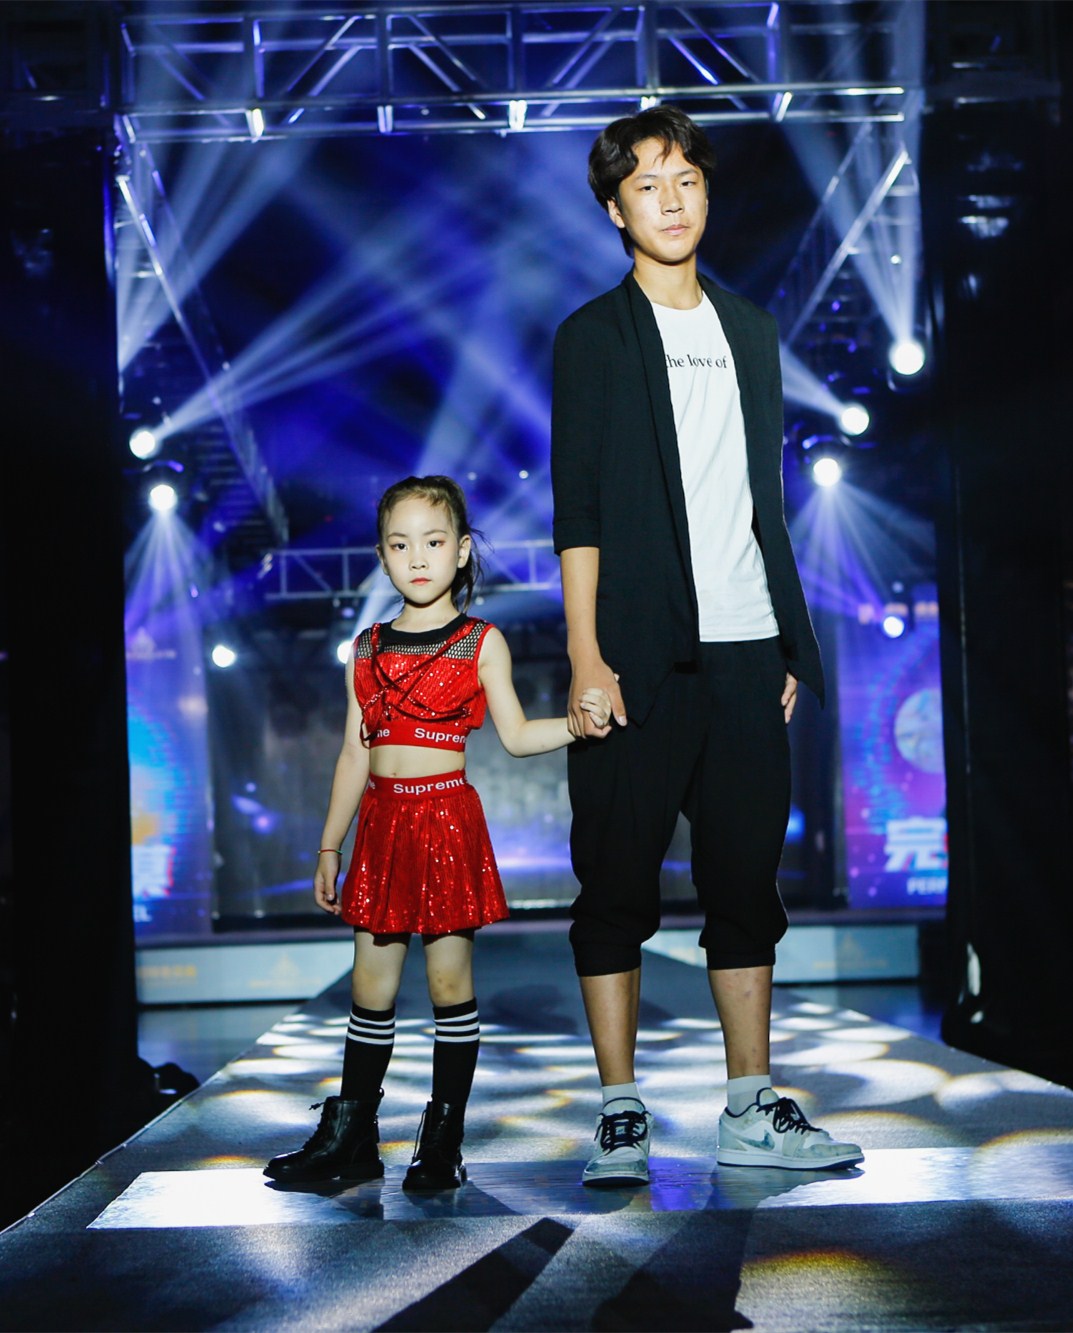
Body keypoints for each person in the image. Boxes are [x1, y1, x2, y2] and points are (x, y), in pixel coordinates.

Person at [550, 106, 863, 1185]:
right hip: (633, 656)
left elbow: (759, 499)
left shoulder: (750, 330)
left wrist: (782, 643)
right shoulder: (593, 336)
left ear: (706, 192)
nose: (670, 199)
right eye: (646, 184)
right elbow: (578, 509)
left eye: (685, 178)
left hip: (745, 651)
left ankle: (749, 1104)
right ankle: (619, 1110)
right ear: (614, 209)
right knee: (614, 884)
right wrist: (585, 655)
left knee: (743, 884)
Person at [264, 475, 612, 1190]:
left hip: (446, 820)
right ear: (381, 557)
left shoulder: (481, 642)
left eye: (432, 541)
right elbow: (353, 753)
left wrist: (579, 725)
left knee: (450, 984)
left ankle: (441, 1140)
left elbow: (516, 735)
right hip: (382, 824)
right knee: (370, 988)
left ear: (460, 551)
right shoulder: (365, 649)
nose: (416, 557)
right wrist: (330, 845)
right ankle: (353, 1137)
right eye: (399, 545)